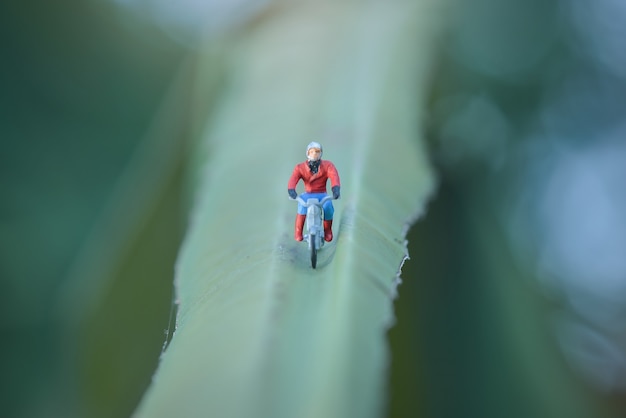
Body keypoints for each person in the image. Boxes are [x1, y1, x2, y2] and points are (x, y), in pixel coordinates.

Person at [288, 142, 341, 242]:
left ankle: (328, 231)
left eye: (317, 152)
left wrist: (335, 188)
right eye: (312, 152)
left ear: (321, 153)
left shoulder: (328, 165)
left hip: (322, 194)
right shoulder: (300, 167)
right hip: (307, 194)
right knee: (301, 206)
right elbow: (293, 178)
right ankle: (298, 233)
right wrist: (291, 189)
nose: (314, 154)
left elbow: (334, 176)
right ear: (307, 153)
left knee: (328, 207)